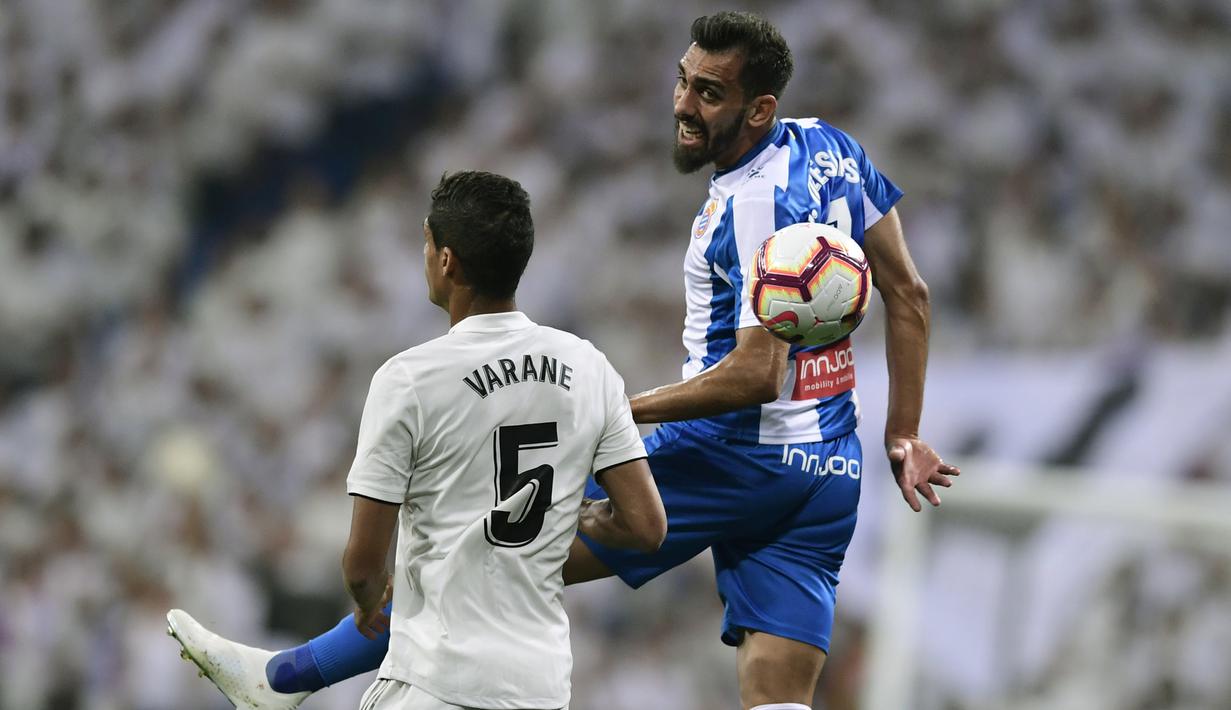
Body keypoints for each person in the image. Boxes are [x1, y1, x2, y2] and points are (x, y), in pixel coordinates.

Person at [169, 11, 958, 710]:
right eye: (683, 82)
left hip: (728, 452)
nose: (683, 105)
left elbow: (759, 375)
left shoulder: (755, 206)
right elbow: (908, 293)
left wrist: (618, 413)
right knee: (777, 694)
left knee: (473, 555)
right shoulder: (832, 149)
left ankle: (280, 684)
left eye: (708, 95)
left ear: (760, 109)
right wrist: (902, 433)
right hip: (825, 467)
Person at [167, 170, 667, 710]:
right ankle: (282, 677)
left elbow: (362, 563)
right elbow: (646, 526)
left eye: (426, 244)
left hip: (436, 682)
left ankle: (280, 680)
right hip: (539, 689)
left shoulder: (410, 378)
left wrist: (368, 602)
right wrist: (566, 522)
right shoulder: (589, 367)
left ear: (447, 260)